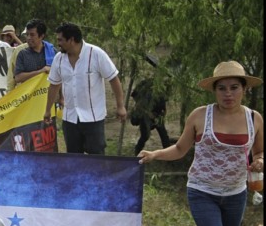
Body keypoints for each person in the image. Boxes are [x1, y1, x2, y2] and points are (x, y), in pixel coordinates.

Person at [138, 60, 264, 226]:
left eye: (233, 88)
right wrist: (155, 154)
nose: (228, 94)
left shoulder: (254, 119)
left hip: (236, 193)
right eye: (222, 88)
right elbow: (180, 149)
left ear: (243, 89)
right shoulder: (200, 116)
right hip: (202, 191)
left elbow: (260, 152)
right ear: (214, 91)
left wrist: (260, 161)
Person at [43, 22, 127, 155]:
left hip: (93, 118)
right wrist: (47, 110)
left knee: (96, 157)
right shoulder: (58, 59)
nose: (57, 43)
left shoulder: (96, 54)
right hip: (70, 118)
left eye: (60, 40)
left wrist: (120, 106)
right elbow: (54, 85)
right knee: (74, 158)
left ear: (71, 40)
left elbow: (113, 79)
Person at [131, 77, 172, 155]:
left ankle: (169, 158)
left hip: (158, 115)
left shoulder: (164, 88)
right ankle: (137, 153)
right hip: (145, 116)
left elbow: (164, 103)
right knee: (145, 136)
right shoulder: (144, 87)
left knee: (164, 136)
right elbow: (138, 104)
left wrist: (162, 114)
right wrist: (148, 113)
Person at [13, 19, 57, 87]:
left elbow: (60, 76)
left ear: (41, 36)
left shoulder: (52, 52)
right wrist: (41, 71)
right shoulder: (23, 54)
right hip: (30, 96)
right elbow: (18, 78)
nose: (28, 38)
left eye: (32, 35)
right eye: (27, 35)